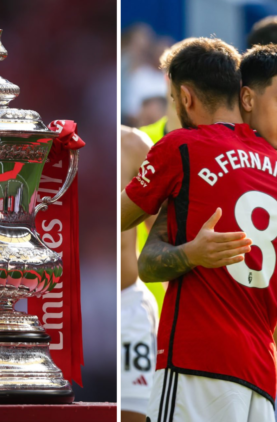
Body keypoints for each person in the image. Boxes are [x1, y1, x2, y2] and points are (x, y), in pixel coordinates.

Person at [121, 37, 277, 421]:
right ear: (246, 97)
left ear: (183, 97)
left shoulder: (188, 149)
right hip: (260, 363)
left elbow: (141, 251)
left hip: (222, 359)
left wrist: (192, 253)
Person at [120, 126, 159, 422]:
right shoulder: (46, 147)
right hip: (66, 308)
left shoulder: (134, 144)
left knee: (137, 413)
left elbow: (165, 237)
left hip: (129, 307)